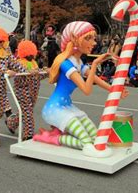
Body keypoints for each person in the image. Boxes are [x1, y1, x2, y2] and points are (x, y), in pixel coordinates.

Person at [32, 21, 127, 157]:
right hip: (54, 109)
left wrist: (116, 90)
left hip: (67, 107)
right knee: (86, 142)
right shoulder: (66, 64)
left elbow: (96, 79)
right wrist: (95, 63)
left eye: (94, 38)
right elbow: (86, 90)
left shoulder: (79, 63)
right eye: (88, 38)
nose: (94, 43)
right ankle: (51, 138)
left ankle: (58, 132)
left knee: (96, 137)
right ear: (74, 41)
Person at [6, 40, 45, 139]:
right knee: (27, 112)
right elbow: (20, 77)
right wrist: (30, 72)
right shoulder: (19, 63)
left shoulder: (34, 63)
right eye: (30, 53)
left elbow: (37, 76)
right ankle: (28, 135)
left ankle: (11, 122)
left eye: (33, 53)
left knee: (26, 111)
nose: (32, 55)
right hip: (22, 91)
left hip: (33, 91)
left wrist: (45, 72)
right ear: (24, 53)